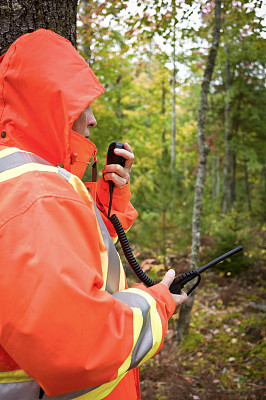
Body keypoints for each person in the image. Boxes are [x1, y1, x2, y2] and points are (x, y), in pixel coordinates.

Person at [0, 29, 187, 400]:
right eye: (81, 103)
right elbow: (79, 349)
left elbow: (69, 257)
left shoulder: (26, 178)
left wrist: (108, 203)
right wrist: (158, 301)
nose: (93, 119)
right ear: (51, 105)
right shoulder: (36, 195)